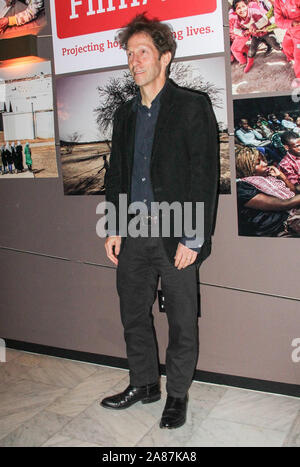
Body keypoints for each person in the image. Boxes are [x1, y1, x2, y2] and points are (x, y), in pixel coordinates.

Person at [101, 14, 219, 429]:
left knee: (182, 320)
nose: (134, 61)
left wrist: (194, 237)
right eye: (130, 54)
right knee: (133, 313)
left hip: (177, 234)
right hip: (133, 233)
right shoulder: (124, 115)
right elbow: (116, 174)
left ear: (165, 57)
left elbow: (203, 175)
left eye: (143, 52)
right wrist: (114, 226)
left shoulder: (192, 106)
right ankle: (144, 383)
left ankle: (178, 395)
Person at [236, 146, 300, 235]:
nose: (265, 164)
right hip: (278, 228)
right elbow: (284, 204)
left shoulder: (269, 178)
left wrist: (282, 176)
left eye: (263, 160)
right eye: (258, 163)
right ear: (245, 167)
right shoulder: (242, 188)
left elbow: (294, 193)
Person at [232, 0, 281, 73]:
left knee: (275, 45)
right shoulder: (238, 19)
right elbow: (235, 30)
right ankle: (249, 63)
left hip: (266, 31)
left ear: (247, 6)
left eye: (243, 6)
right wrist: (243, 32)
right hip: (256, 35)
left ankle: (287, 54)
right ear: (235, 11)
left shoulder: (254, 11)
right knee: (251, 51)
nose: (242, 10)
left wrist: (255, 26)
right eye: (238, 8)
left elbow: (264, 20)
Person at [274, 0, 300, 85]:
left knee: (298, 55)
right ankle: (292, 60)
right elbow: (278, 21)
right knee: (286, 46)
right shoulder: (277, 2)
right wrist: (291, 23)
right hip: (290, 29)